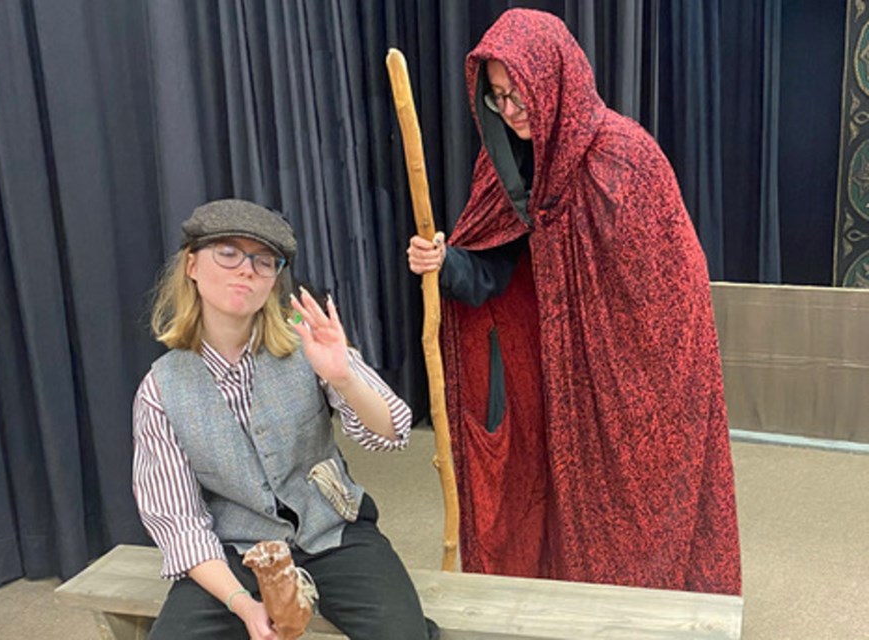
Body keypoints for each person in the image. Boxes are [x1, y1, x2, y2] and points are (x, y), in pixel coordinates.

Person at [407, 9, 741, 595]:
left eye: (520, 95)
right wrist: (445, 262)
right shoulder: (506, 161)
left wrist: (620, 369)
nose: (510, 113)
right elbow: (494, 272)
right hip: (556, 376)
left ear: (553, 78)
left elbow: (673, 295)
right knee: (562, 506)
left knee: (639, 512)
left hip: (640, 382)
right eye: (497, 99)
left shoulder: (625, 159)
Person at [134, 199, 437, 639]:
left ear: (274, 279)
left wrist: (344, 377)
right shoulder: (161, 389)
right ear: (192, 264)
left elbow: (392, 433)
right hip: (236, 550)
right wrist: (243, 605)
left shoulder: (307, 343)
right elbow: (177, 520)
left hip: (334, 533)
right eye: (228, 253)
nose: (247, 270)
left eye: (264, 261)